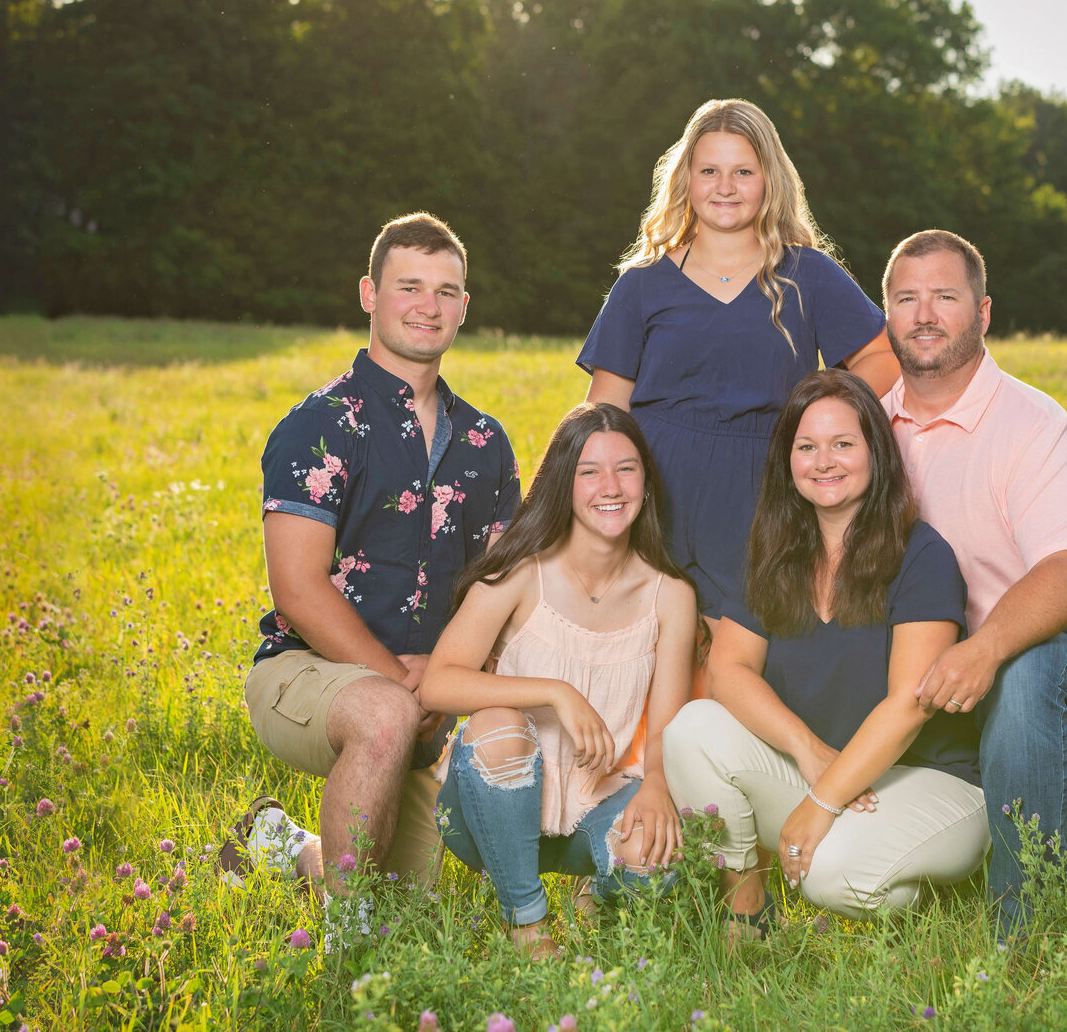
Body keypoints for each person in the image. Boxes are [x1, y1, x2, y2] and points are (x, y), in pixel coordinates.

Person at [227, 213, 521, 910]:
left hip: (430, 696)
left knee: (408, 903)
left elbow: (502, 585)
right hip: (306, 673)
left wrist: (453, 677)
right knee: (385, 715)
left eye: (446, 291)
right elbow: (298, 590)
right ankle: (341, 952)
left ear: (465, 308)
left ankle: (281, 843)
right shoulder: (320, 424)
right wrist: (400, 680)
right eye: (409, 286)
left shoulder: (486, 442)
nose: (428, 305)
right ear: (369, 293)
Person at [877, 229, 1067, 935]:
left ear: (984, 312)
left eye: (946, 296)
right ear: (887, 315)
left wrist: (985, 649)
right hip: (918, 676)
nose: (925, 313)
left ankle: (1024, 935)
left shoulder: (1035, 426)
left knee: (1022, 677)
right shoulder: (869, 431)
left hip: (1048, 655)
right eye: (907, 298)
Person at [663, 370, 987, 934]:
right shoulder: (776, 551)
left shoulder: (922, 555)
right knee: (692, 729)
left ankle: (983, 865)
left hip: (931, 777)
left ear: (877, 454)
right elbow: (729, 670)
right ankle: (747, 912)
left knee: (834, 877)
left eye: (843, 444)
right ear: (787, 461)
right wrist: (808, 752)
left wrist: (821, 805)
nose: (824, 461)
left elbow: (910, 705)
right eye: (806, 446)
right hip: (827, 767)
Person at [577, 98, 899, 653]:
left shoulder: (808, 274)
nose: (725, 187)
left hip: (761, 493)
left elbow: (882, 357)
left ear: (768, 180)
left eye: (743, 171)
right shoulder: (642, 285)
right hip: (658, 490)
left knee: (742, 660)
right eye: (709, 171)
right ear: (687, 180)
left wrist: (817, 422)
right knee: (649, 653)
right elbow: (604, 413)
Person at [419, 403, 697, 959]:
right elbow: (438, 685)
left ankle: (598, 887)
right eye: (588, 471)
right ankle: (527, 921)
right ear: (562, 484)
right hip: (490, 804)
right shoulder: (521, 572)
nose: (610, 486)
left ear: (646, 481)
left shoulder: (671, 596)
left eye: (627, 468)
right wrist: (555, 692)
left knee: (657, 859)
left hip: (600, 796)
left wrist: (660, 791)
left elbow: (666, 729)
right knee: (499, 725)